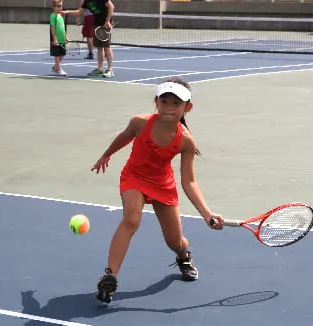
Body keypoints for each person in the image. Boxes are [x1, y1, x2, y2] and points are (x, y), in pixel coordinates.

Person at [90, 78, 224, 303]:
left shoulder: (186, 141)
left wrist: (207, 213)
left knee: (175, 241)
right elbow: (124, 137)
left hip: (163, 185)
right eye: (164, 101)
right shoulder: (140, 123)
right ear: (156, 102)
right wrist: (106, 154)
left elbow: (189, 181)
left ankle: (183, 256)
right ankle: (110, 276)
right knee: (132, 219)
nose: (169, 107)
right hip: (134, 177)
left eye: (176, 103)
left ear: (187, 108)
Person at [62, 0, 114, 78]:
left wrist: (107, 21)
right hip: (96, 24)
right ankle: (100, 69)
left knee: (107, 47)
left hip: (105, 25)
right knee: (100, 48)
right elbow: (79, 12)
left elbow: (111, 6)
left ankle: (110, 70)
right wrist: (66, 12)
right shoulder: (87, 2)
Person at [49, 0, 68, 76]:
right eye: (58, 6)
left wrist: (66, 37)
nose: (60, 8)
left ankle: (55, 67)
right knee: (57, 55)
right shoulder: (53, 16)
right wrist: (54, 39)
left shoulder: (61, 16)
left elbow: (63, 28)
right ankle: (59, 69)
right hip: (56, 39)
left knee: (62, 54)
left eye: (61, 6)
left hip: (62, 39)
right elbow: (52, 28)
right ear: (53, 7)